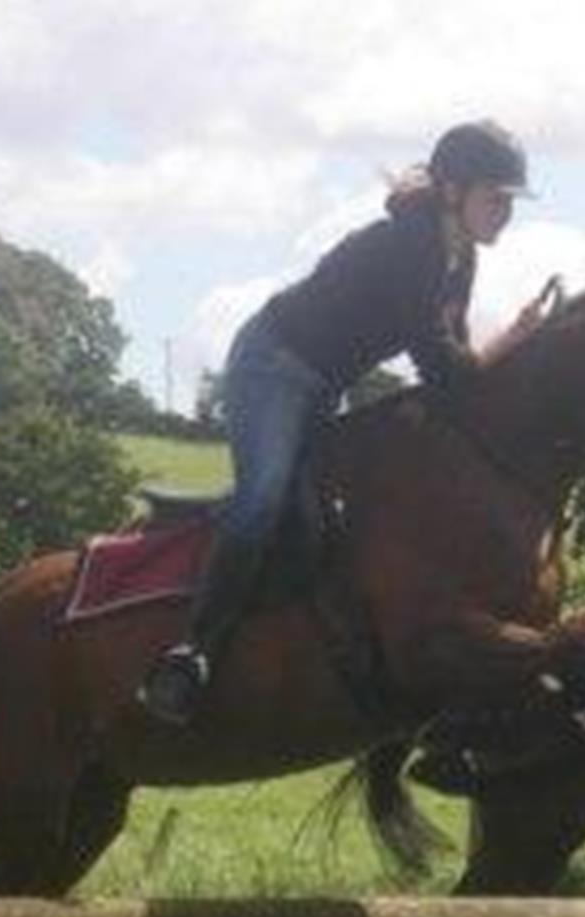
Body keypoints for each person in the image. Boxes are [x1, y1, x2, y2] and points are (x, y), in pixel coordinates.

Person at [138, 120, 554, 726]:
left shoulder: (458, 259)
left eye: (510, 202)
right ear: (451, 192)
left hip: (323, 387)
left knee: (330, 516)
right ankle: (191, 654)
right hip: (272, 367)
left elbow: (456, 367)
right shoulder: (411, 248)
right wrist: (514, 341)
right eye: (497, 198)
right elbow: (444, 369)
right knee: (261, 502)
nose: (505, 214)